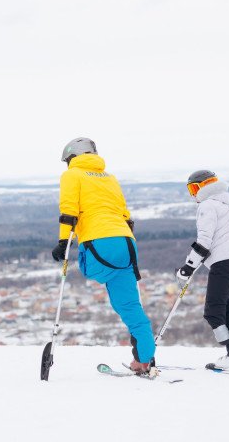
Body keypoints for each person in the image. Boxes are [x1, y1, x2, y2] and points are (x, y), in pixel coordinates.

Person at [52, 137, 156, 375]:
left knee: (89, 270)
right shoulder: (109, 177)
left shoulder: (72, 175)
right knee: (128, 305)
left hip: (99, 240)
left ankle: (142, 356)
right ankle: (143, 359)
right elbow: (125, 213)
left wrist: (62, 242)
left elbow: (68, 210)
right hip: (127, 242)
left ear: (71, 157)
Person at [177, 170, 229, 370]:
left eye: (194, 188)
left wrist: (188, 267)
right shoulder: (225, 205)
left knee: (213, 311)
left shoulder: (207, 206)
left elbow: (204, 241)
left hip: (225, 263)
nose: (193, 194)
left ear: (203, 187)